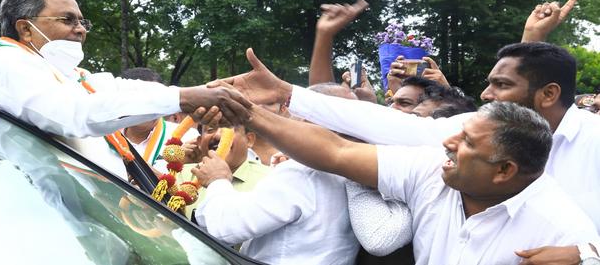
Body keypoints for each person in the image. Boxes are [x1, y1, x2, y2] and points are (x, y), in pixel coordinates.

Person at [208, 42, 600, 263]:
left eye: (500, 84)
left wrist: (589, 252)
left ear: (505, 170)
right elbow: (338, 150)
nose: (447, 143)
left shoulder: (564, 229)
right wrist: (269, 104)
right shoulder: (438, 164)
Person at [0, 0, 248, 139]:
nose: (81, 29)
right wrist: (182, 98)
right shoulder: (8, 65)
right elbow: (73, 115)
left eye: (82, 21)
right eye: (68, 20)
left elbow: (118, 88)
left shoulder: (66, 74)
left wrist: (203, 91)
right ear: (26, 29)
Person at [191, 83, 362, 265]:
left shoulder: (301, 173)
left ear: (308, 121)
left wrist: (218, 180)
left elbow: (226, 228)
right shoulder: (360, 171)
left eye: (292, 117)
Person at [177, 124, 270, 216]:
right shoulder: (183, 174)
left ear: (249, 140)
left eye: (228, 129)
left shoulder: (268, 180)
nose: (218, 136)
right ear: (200, 141)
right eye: (210, 129)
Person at [118, 67, 199, 172]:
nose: (147, 107)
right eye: (138, 99)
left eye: (153, 100)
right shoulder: (101, 140)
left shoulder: (188, 137)